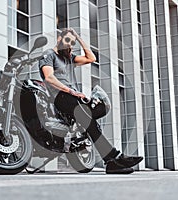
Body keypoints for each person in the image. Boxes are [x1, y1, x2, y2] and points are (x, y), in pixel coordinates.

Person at [39, 28, 143, 174]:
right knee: (87, 119)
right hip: (60, 97)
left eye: (72, 43)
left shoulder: (69, 58)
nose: (70, 44)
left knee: (92, 117)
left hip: (74, 98)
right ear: (59, 39)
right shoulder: (49, 55)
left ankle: (113, 159)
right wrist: (71, 91)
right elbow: (49, 77)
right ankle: (114, 158)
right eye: (67, 40)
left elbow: (91, 58)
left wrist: (79, 39)